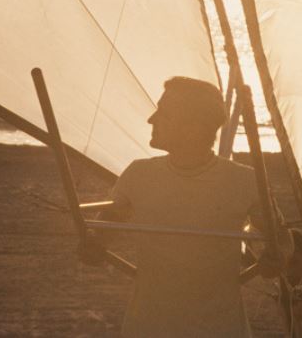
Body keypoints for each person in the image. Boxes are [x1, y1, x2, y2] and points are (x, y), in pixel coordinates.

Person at [83, 76, 287, 338]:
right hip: (147, 328)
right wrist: (92, 245)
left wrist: (275, 258)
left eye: (164, 113)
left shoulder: (245, 180)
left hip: (221, 329)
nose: (151, 119)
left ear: (193, 128)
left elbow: (282, 241)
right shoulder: (138, 174)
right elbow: (102, 232)